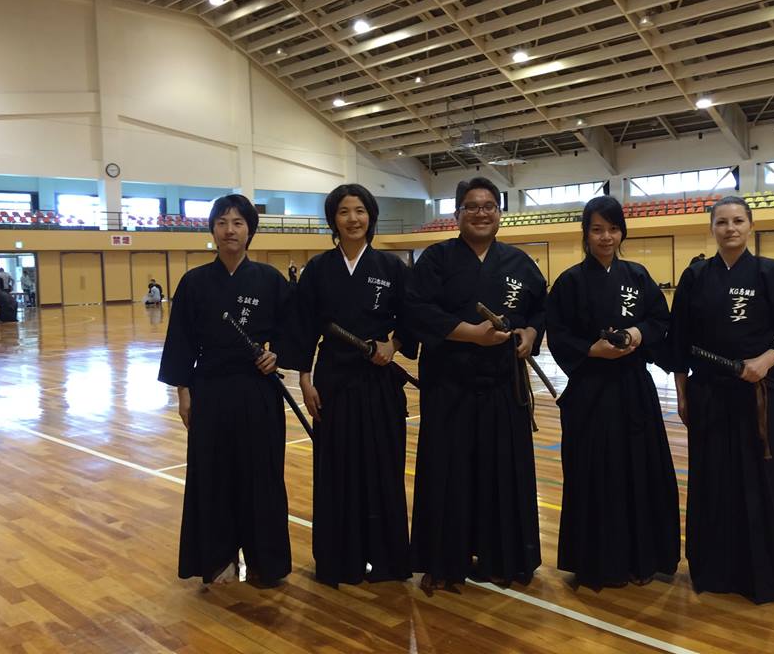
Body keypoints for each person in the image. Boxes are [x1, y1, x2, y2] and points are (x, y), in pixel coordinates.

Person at [666, 195, 774, 604]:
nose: (730, 229)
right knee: (712, 478)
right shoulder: (696, 276)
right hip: (708, 392)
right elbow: (679, 340)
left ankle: (761, 576)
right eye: (722, 222)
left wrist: (765, 361)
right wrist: (682, 394)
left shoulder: (772, 272)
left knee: (761, 479)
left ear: (750, 225)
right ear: (712, 228)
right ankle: (713, 571)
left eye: (737, 221)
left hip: (760, 394)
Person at [406, 176, 546, 590]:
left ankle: (501, 558)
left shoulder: (520, 262)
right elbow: (417, 310)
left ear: (499, 213)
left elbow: (540, 310)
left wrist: (530, 334)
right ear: (458, 214)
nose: (481, 213)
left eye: (489, 206)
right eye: (472, 206)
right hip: (449, 385)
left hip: (503, 385)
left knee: (501, 473)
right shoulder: (436, 259)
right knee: (447, 473)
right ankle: (443, 561)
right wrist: (470, 333)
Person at [158, 194, 296, 587]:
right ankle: (219, 559)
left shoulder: (270, 279)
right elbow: (181, 340)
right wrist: (184, 393)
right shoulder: (194, 282)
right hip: (211, 389)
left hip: (258, 388)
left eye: (237, 222)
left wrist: (276, 354)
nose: (229, 230)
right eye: (222, 222)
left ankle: (265, 561)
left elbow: (292, 329)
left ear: (250, 230)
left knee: (262, 474)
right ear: (212, 230)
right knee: (213, 474)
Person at [546, 196, 679, 589]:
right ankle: (597, 563)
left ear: (623, 232)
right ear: (586, 234)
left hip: (633, 388)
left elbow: (659, 319)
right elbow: (558, 334)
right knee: (594, 472)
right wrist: (591, 350)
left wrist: (637, 333)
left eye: (613, 229)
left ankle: (642, 558)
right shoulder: (570, 281)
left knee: (639, 469)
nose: (606, 237)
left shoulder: (637, 275)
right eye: (597, 229)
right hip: (590, 391)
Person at [296, 184, 417, 586]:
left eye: (360, 210)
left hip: (379, 381)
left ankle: (388, 560)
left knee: (384, 466)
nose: (353, 219)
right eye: (344, 211)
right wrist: (305, 379)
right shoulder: (318, 269)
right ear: (333, 219)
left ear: (371, 216)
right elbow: (303, 328)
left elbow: (412, 319)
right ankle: (339, 560)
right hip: (333, 380)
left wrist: (392, 345)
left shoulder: (392, 267)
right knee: (337, 469)